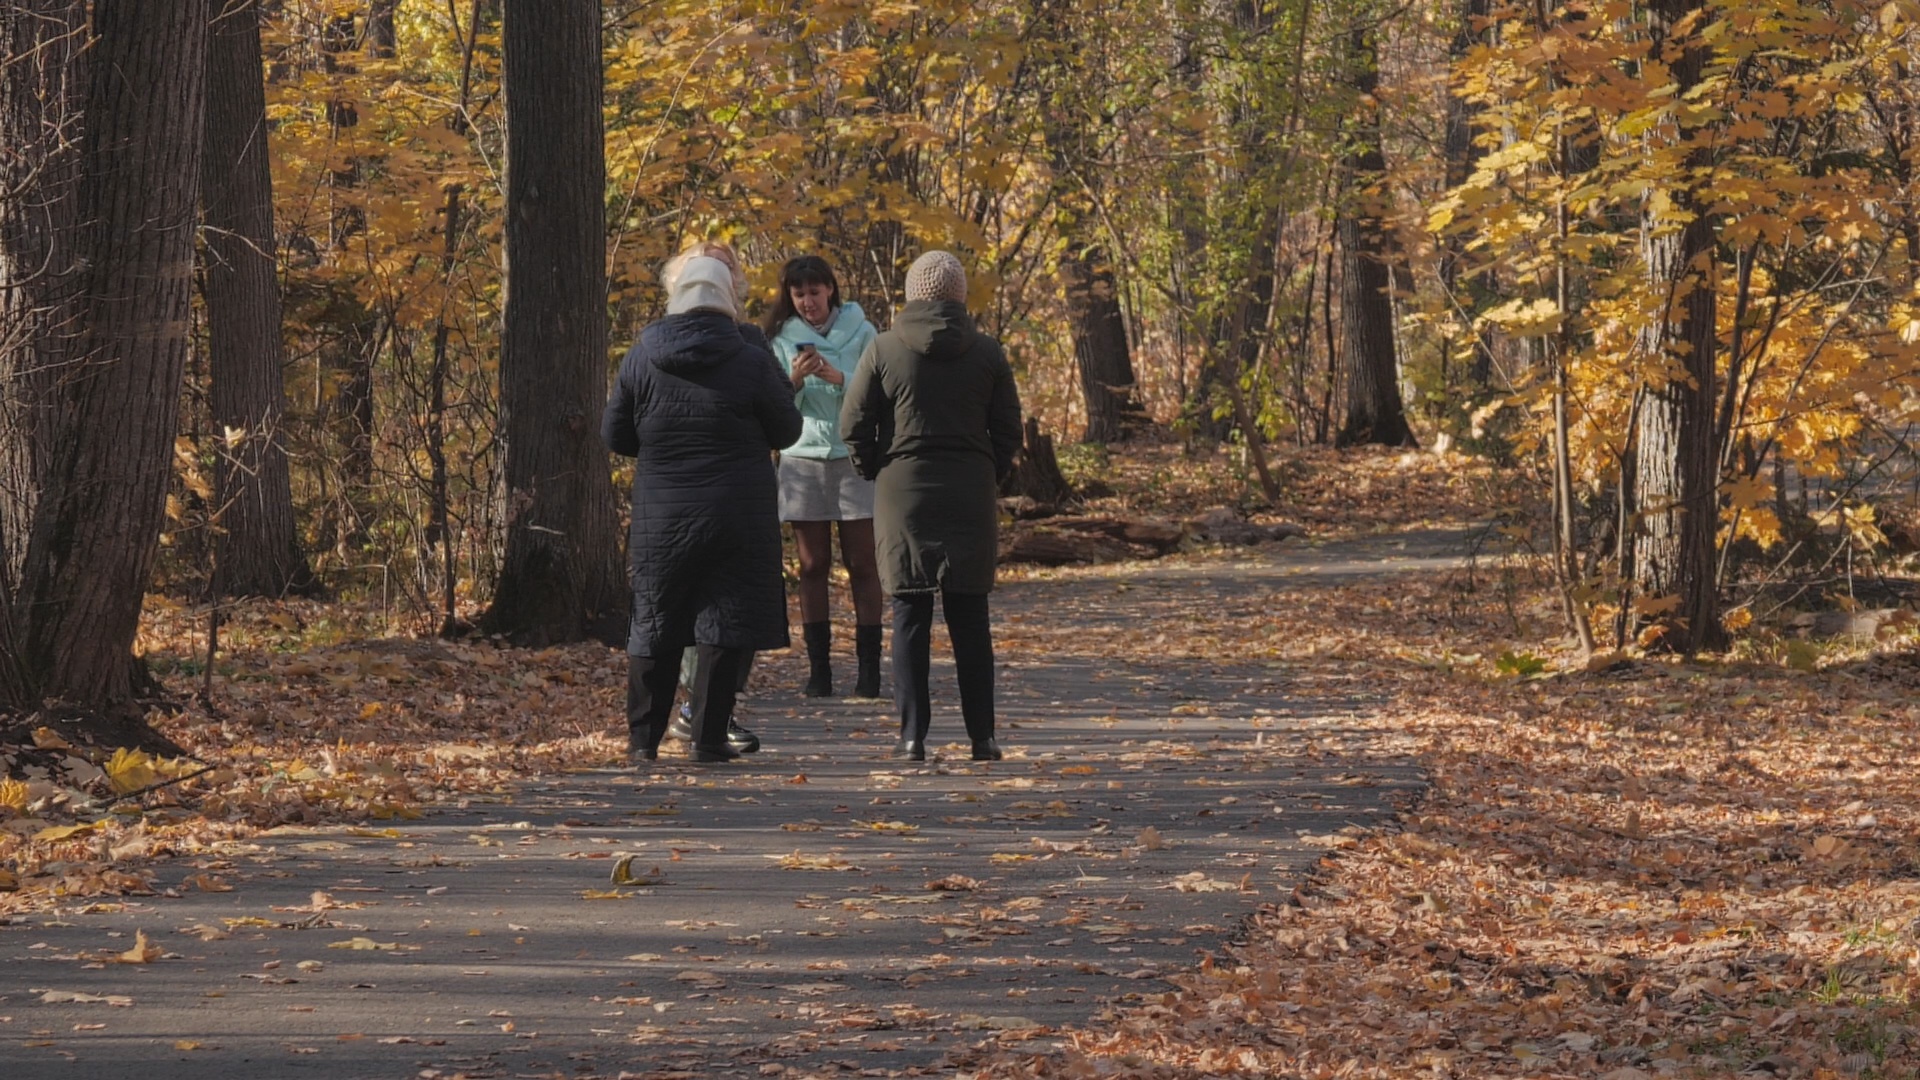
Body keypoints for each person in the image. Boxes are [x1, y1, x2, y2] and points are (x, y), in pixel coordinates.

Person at [603, 252, 802, 763]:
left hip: (661, 512)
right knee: (725, 622)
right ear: (726, 299)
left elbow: (615, 433)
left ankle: (643, 741)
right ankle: (708, 740)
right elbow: (787, 429)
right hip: (738, 511)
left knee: (655, 621)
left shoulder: (643, 353)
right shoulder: (752, 356)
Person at [840, 250, 1022, 762]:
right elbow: (1009, 428)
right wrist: (989, 469)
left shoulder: (883, 350)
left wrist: (875, 465)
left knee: (909, 613)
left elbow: (853, 422)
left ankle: (912, 736)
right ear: (960, 295)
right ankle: (982, 738)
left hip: (903, 491)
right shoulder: (988, 353)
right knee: (970, 616)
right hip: (969, 490)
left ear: (911, 294)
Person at [763, 255, 883, 699]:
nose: (808, 302)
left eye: (815, 292)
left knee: (863, 564)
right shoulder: (779, 339)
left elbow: (879, 393)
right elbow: (773, 410)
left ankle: (868, 670)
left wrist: (840, 378)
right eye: (799, 295)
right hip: (803, 459)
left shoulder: (863, 331)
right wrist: (793, 382)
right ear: (789, 299)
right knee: (812, 567)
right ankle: (820, 670)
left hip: (853, 459)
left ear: (830, 290)